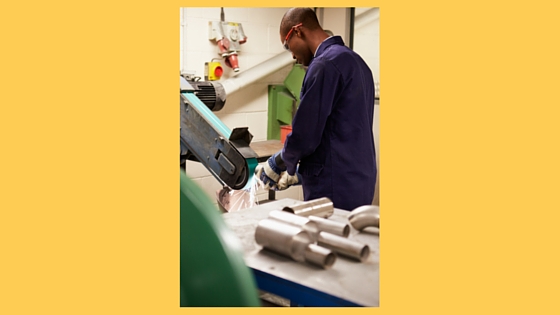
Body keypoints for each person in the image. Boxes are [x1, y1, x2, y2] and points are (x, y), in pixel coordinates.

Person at [256, 7, 376, 211]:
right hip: (358, 179)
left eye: (287, 46)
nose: (292, 55)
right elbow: (340, 129)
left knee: (326, 239)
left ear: (298, 31)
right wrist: (300, 173)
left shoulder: (324, 65)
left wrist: (278, 161)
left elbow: (306, 133)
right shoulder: (357, 62)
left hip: (334, 186)